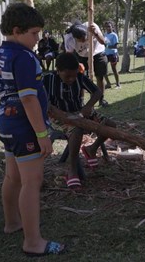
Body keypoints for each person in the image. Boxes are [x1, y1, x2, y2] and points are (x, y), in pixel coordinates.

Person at [0, 3, 65, 256]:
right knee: (32, 181)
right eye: (34, 33)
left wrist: (6, 90)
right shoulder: (25, 57)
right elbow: (29, 99)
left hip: (6, 123)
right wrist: (42, 135)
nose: (38, 39)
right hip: (25, 126)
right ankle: (33, 242)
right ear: (17, 31)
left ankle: (12, 222)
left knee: (14, 177)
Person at [43, 53, 117, 188]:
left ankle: (91, 149)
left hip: (80, 112)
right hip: (57, 116)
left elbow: (97, 92)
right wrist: (60, 114)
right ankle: (72, 170)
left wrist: (88, 107)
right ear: (58, 70)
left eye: (74, 75)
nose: (72, 79)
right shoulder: (48, 80)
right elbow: (44, 103)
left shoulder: (80, 77)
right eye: (67, 76)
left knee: (111, 126)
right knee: (76, 130)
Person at [63, 21, 109, 107]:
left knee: (100, 76)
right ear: (75, 38)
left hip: (98, 53)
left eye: (85, 38)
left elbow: (103, 42)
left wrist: (95, 33)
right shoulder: (69, 38)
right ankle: (81, 101)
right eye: (81, 40)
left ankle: (101, 99)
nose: (84, 41)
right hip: (82, 56)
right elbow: (69, 54)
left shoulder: (91, 26)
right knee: (81, 79)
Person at [103, 21, 121, 89]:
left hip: (113, 54)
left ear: (112, 27)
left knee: (114, 69)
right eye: (107, 27)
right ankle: (108, 83)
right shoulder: (104, 34)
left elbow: (115, 46)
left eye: (109, 26)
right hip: (106, 54)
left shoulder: (114, 35)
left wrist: (107, 46)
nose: (108, 28)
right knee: (103, 69)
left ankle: (118, 84)